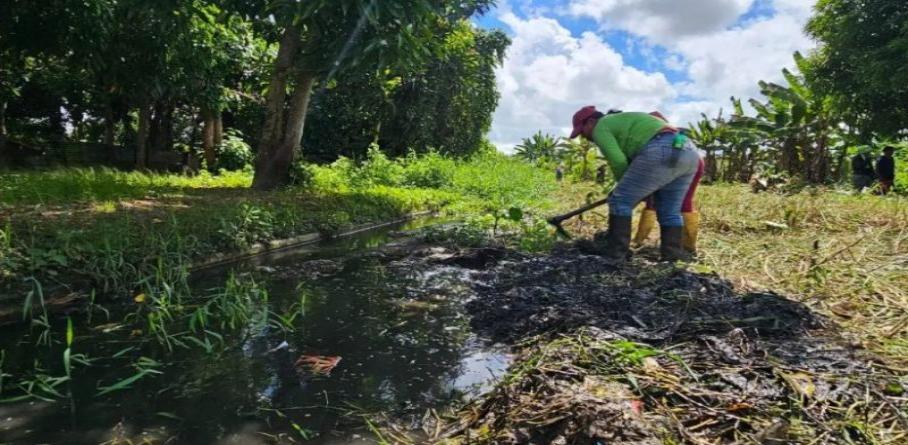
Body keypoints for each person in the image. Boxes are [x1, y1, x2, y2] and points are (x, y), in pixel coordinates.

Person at [569, 106, 701, 261]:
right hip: (689, 151)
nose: (584, 137)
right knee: (669, 211)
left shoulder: (601, 126)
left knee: (619, 200)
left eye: (582, 131)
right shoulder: (623, 121)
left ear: (590, 122)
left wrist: (623, 188)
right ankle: (672, 257)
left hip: (661, 148)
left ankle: (616, 254)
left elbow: (618, 162)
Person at [634, 156, 705, 254]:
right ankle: (688, 246)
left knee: (652, 201)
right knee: (685, 201)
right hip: (695, 160)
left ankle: (639, 241)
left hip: (665, 161)